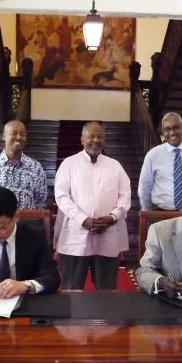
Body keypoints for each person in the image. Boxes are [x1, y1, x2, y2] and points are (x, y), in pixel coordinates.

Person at [54, 121, 131, 290]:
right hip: (75, 236)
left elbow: (125, 196)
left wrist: (112, 217)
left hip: (108, 234)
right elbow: (61, 196)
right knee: (71, 289)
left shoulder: (115, 166)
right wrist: (83, 219)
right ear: (82, 139)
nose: (96, 140)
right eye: (91, 136)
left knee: (106, 290)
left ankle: (104, 309)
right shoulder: (69, 164)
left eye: (100, 136)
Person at [0, 120, 47, 209]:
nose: (18, 137)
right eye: (14, 133)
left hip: (27, 218)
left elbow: (41, 200)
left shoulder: (36, 167)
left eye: (22, 134)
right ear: (4, 136)